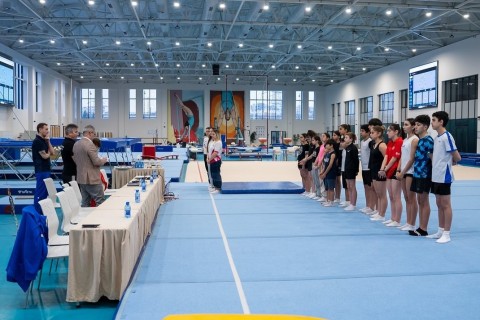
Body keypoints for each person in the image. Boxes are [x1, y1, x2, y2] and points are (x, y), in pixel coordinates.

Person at [428, 111, 461, 244]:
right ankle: (440, 230)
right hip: (435, 175)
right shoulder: (436, 137)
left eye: (434, 120)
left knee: (446, 204)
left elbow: (457, 156)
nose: (432, 122)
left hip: (444, 175)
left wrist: (452, 160)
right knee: (439, 204)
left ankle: (447, 233)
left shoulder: (447, 137)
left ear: (441, 122)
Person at [408, 115, 434, 237]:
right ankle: (420, 226)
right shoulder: (420, 140)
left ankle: (424, 228)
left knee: (424, 201)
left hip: (424, 175)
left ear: (425, 126)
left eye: (418, 125)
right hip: (417, 173)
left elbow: (433, 160)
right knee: (420, 201)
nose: (415, 127)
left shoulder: (428, 141)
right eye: (415, 124)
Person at [73, 125, 109, 207]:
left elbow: (75, 159)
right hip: (91, 178)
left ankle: (85, 219)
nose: (94, 136)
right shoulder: (90, 145)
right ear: (90, 133)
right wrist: (104, 160)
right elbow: (96, 162)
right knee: (100, 202)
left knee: (85, 202)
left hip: (81, 177)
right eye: (94, 134)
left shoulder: (76, 144)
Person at [396, 119, 419, 231]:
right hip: (404, 171)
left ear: (413, 126)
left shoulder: (414, 140)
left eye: (406, 125)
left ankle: (412, 223)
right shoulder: (405, 140)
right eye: (403, 124)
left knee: (411, 198)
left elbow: (411, 158)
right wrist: (399, 169)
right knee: (406, 198)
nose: (403, 127)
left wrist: (403, 171)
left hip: (410, 172)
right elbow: (402, 156)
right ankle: (408, 221)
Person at [380, 124, 403, 227]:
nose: (387, 132)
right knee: (391, 196)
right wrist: (382, 169)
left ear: (396, 132)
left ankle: (397, 220)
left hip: (395, 170)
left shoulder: (400, 142)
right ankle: (393, 218)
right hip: (388, 171)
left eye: (389, 131)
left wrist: (385, 169)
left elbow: (395, 158)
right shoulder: (389, 143)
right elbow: (386, 156)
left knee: (396, 196)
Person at [32, 122, 55, 214]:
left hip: (46, 169)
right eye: (46, 129)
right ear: (40, 129)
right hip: (41, 170)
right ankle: (37, 211)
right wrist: (49, 153)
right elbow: (45, 156)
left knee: (45, 191)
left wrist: (48, 141)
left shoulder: (44, 140)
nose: (47, 131)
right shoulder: (37, 141)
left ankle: (41, 210)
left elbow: (52, 153)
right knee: (40, 191)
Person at [369, 125, 388, 222]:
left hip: (380, 172)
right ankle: (379, 211)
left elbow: (387, 157)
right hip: (374, 171)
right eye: (370, 132)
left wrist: (383, 169)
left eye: (372, 132)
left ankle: (382, 214)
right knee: (378, 193)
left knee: (382, 194)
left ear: (379, 134)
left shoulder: (382, 145)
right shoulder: (374, 144)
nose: (370, 134)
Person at [359, 124, 375, 214]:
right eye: (360, 131)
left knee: (370, 188)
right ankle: (367, 205)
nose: (361, 132)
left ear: (368, 132)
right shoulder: (362, 141)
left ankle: (372, 206)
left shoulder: (370, 142)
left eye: (363, 131)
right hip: (364, 167)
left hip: (369, 168)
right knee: (365, 187)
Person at [342, 132, 359, 211]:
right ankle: (350, 202)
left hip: (351, 169)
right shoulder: (347, 148)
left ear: (351, 139)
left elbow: (356, 160)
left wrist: (356, 170)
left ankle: (353, 204)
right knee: (348, 186)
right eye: (344, 137)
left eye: (346, 137)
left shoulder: (353, 148)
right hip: (346, 169)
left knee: (352, 186)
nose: (344, 139)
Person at [320, 139, 337, 207]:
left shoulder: (333, 154)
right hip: (326, 173)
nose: (326, 146)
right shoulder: (327, 154)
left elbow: (330, 165)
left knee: (331, 188)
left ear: (331, 145)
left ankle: (331, 201)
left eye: (327, 144)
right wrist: (322, 172)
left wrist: (325, 173)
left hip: (331, 173)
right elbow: (325, 164)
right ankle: (327, 200)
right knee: (327, 188)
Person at [208, 129, 223, 193]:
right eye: (212, 134)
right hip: (212, 160)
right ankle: (214, 187)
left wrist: (209, 159)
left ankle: (218, 188)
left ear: (217, 135)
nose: (212, 135)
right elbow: (210, 151)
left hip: (216, 160)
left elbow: (215, 153)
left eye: (214, 134)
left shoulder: (218, 142)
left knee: (216, 174)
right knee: (213, 174)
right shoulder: (213, 142)